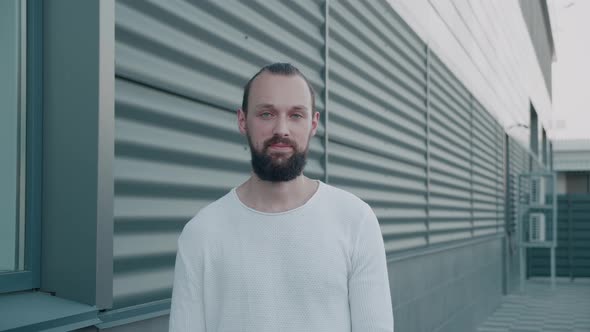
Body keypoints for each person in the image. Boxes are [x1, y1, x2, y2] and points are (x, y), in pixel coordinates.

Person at [169, 63, 394, 331]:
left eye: (296, 115)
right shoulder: (201, 234)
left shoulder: (356, 221)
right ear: (243, 121)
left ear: (313, 124)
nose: (281, 129)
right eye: (266, 113)